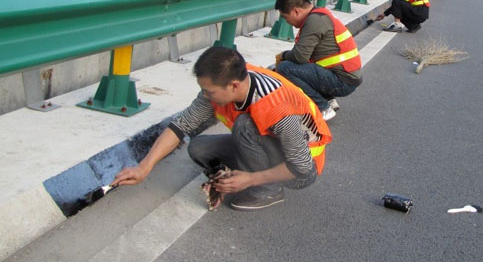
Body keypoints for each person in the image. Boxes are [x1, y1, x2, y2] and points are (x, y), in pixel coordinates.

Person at [112, 46, 332, 211]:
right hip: (272, 149)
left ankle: (268, 190)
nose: (205, 96)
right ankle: (231, 177)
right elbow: (182, 125)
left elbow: (302, 167)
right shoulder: (227, 83)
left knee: (245, 126)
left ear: (233, 86)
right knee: (199, 149)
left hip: (302, 167)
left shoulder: (275, 106)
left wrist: (249, 179)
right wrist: (144, 167)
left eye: (209, 91)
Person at [274, 0, 363, 122]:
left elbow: (299, 56)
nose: (287, 22)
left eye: (286, 17)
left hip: (343, 81)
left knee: (285, 68)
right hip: (346, 77)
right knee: (301, 66)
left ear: (296, 11)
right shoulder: (319, 15)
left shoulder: (314, 21)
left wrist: (283, 55)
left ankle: (322, 107)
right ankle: (329, 100)